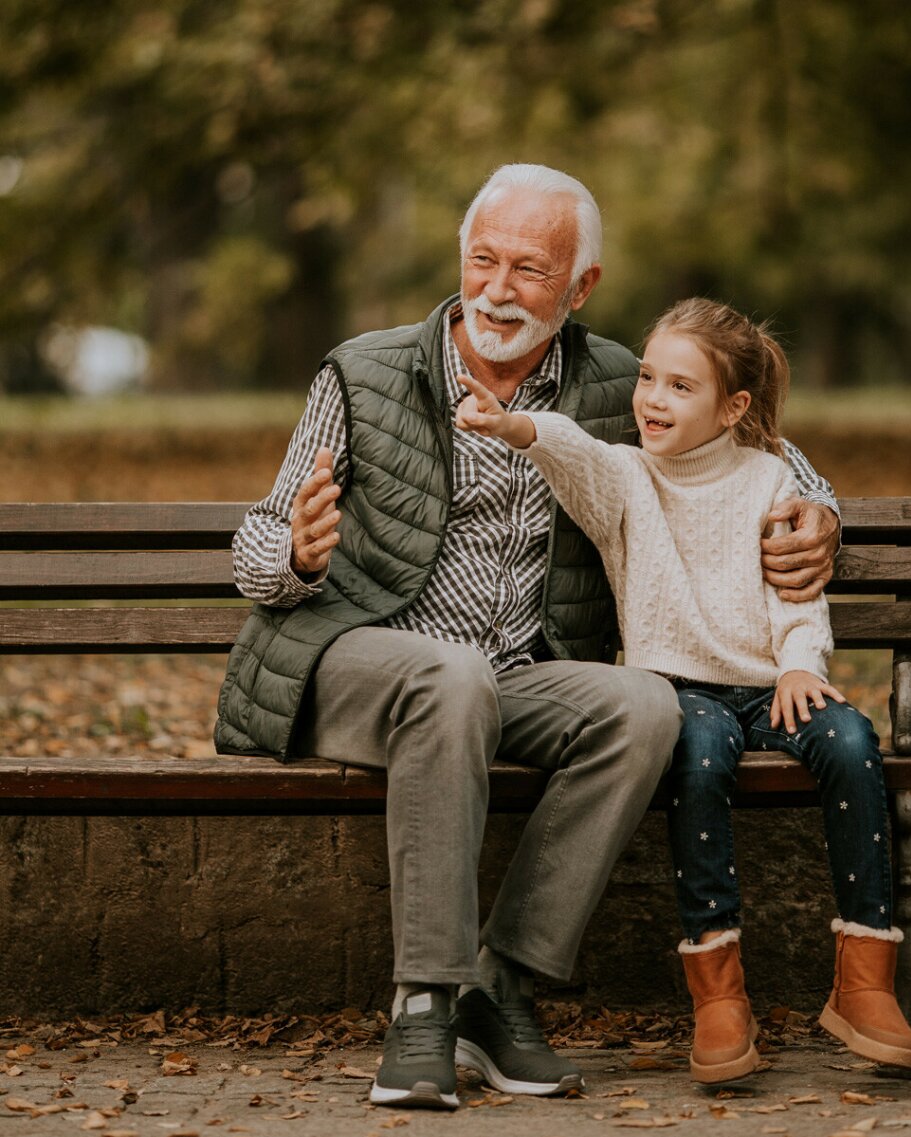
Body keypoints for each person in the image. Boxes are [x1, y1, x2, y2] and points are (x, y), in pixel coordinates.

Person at [215, 165, 841, 1110]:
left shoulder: (615, 381)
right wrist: (298, 556)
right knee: (449, 673)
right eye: (484, 261)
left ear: (580, 286)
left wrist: (821, 509)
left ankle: (497, 991)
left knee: (644, 704)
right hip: (360, 660)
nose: (499, 289)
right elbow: (255, 547)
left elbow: (761, 448)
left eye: (531, 270)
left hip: (515, 677)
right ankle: (422, 998)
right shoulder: (365, 370)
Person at [455, 295, 911, 1086]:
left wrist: (804, 661)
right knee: (697, 755)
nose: (651, 399)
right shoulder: (627, 479)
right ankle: (718, 991)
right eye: (647, 378)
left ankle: (864, 982)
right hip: (676, 691)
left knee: (850, 740)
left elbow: (796, 592)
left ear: (732, 406)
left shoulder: (772, 477)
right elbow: (574, 449)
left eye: (679, 386)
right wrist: (516, 428)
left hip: (769, 682)